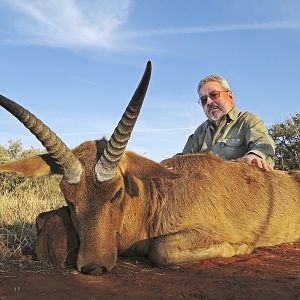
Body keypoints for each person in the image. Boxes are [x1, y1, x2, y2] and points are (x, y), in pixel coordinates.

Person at [182, 75, 275, 171]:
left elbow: (263, 144)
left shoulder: (248, 120)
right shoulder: (200, 131)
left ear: (230, 96)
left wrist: (255, 155)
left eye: (214, 95)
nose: (209, 102)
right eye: (204, 100)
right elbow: (181, 159)